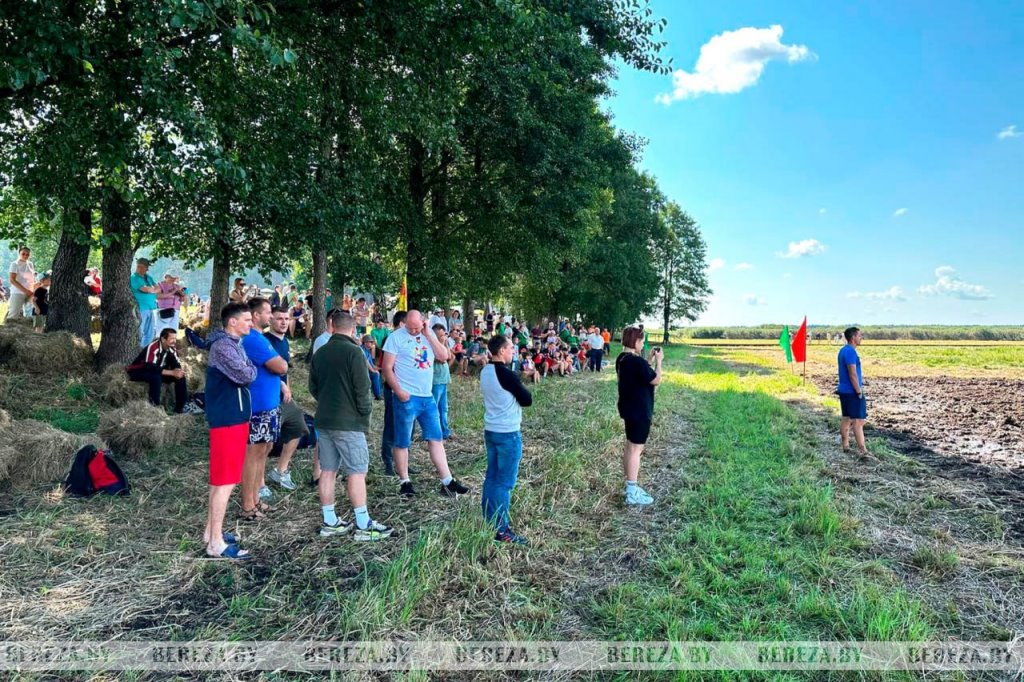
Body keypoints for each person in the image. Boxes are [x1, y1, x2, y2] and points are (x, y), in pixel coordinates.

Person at [310, 311, 393, 541]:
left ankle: (329, 521)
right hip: (348, 423)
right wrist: (364, 412)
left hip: (324, 420)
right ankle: (364, 524)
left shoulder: (320, 353)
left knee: (328, 470)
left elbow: (313, 388)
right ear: (353, 328)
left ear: (332, 327)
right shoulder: (355, 352)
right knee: (357, 471)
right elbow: (362, 389)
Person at [381, 309, 469, 497]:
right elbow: (387, 368)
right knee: (403, 441)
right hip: (406, 396)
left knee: (435, 438)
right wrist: (399, 391)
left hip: (426, 396)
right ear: (404, 323)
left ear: (423, 323)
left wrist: (428, 334)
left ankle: (447, 480)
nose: (414, 331)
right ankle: (405, 482)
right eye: (410, 328)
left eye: (417, 327)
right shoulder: (395, 338)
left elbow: (444, 356)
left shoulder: (428, 335)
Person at [203, 302, 257, 559]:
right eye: (247, 319)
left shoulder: (233, 345)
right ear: (232, 322)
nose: (251, 323)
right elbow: (247, 375)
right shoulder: (224, 346)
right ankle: (215, 543)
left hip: (231, 416)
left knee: (221, 480)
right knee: (224, 482)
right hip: (228, 418)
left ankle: (211, 532)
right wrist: (250, 369)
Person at [480, 334, 533, 544]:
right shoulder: (507, 374)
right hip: (508, 432)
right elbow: (527, 399)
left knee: (492, 477)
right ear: (501, 350)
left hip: (491, 429)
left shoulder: (485, 371)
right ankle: (501, 530)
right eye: (510, 347)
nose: (513, 351)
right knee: (504, 482)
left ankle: (489, 520)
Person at [239, 297, 287, 518]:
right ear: (256, 315)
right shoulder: (253, 339)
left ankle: (256, 499)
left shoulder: (261, 338)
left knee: (264, 449)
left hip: (269, 404)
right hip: (257, 407)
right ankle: (248, 505)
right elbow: (280, 365)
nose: (271, 316)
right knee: (254, 452)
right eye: (268, 312)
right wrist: (280, 364)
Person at [615, 327, 663, 506]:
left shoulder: (622, 359)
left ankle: (630, 486)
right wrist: (658, 362)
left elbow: (639, 374)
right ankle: (632, 491)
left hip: (628, 408)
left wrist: (648, 360)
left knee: (630, 447)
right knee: (636, 450)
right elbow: (655, 379)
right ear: (635, 342)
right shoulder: (636, 362)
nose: (643, 344)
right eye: (641, 341)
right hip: (641, 410)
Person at [264, 305, 310, 491]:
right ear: (270, 320)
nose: (283, 322)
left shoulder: (284, 342)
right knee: (264, 443)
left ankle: (280, 470)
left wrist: (288, 389)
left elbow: (285, 372)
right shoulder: (265, 341)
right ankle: (258, 484)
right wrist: (281, 385)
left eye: (286, 318)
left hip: (283, 397)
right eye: (279, 318)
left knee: (298, 426)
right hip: (267, 397)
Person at [126, 327, 188, 412]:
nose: (174, 341)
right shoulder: (153, 347)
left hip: (157, 371)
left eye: (175, 338)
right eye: (172, 338)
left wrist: (178, 372)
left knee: (180, 377)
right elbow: (150, 367)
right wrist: (171, 372)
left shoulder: (172, 348)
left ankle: (180, 407)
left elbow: (176, 364)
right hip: (138, 371)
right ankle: (155, 409)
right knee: (156, 377)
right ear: (163, 339)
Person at [838, 327, 872, 459]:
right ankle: (863, 451)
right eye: (859, 335)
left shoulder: (843, 351)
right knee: (859, 421)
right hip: (852, 391)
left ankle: (845, 445)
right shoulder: (851, 352)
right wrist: (858, 390)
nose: (861, 337)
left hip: (843, 390)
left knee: (846, 418)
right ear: (853, 338)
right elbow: (852, 374)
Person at [379, 311, 406, 475]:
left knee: (405, 427)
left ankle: (403, 462)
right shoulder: (390, 340)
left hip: (407, 390)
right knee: (391, 425)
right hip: (392, 389)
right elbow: (385, 368)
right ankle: (388, 462)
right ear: (402, 324)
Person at [130, 258, 161, 346]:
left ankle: (145, 350)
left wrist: (152, 290)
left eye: (147, 268)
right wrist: (152, 289)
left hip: (151, 307)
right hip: (141, 308)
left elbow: (158, 288)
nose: (147, 270)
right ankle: (139, 350)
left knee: (150, 332)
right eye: (145, 268)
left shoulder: (148, 277)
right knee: (140, 331)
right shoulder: (134, 278)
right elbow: (145, 289)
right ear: (139, 266)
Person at [430, 324, 454, 440]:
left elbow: (448, 356)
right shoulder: (431, 345)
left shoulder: (443, 344)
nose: (442, 337)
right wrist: (440, 343)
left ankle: (445, 431)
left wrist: (444, 343)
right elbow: (441, 358)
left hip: (444, 379)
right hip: (436, 380)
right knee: (434, 408)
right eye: (440, 335)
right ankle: (434, 432)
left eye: (443, 334)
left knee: (443, 408)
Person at [6, 246, 36, 321]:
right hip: (18, 292)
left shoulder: (30, 264)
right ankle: (9, 331)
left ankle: (30, 331)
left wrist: (34, 290)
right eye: (23, 254)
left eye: (27, 254)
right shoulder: (14, 264)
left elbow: (31, 279)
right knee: (13, 315)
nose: (25, 256)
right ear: (19, 253)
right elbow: (12, 280)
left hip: (30, 293)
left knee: (32, 315)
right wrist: (26, 291)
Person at [361, 335, 383, 400]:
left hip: (365, 369)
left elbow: (372, 365)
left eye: (372, 342)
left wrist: (381, 368)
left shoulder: (367, 350)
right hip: (361, 371)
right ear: (365, 342)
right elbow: (366, 361)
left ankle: (378, 393)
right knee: (375, 375)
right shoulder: (361, 349)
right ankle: (377, 395)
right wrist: (373, 370)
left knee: (379, 372)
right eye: (370, 342)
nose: (372, 343)